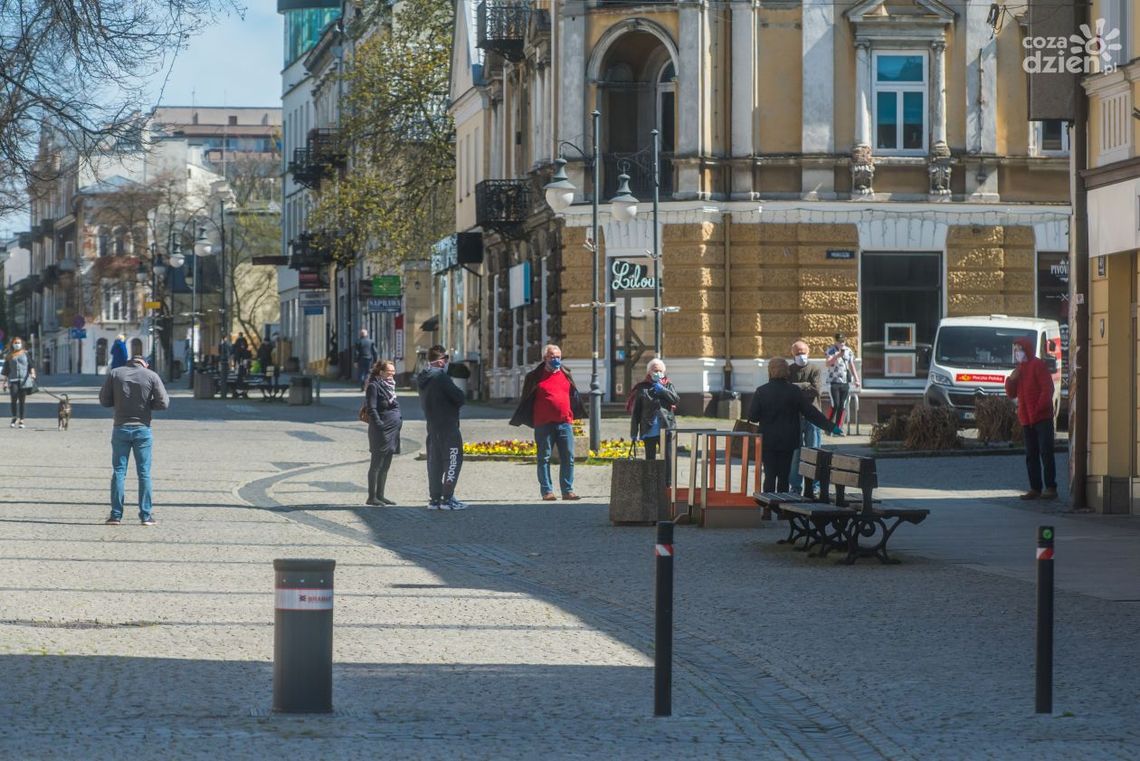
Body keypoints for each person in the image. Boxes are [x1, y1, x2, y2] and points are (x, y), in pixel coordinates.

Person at [748, 357, 841, 493]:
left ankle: (767, 510)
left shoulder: (761, 391)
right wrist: (831, 426)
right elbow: (811, 413)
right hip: (789, 441)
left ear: (770, 372)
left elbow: (753, 417)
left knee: (769, 476)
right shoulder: (794, 391)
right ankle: (781, 511)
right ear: (787, 372)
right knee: (784, 477)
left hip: (768, 441)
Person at [99, 353, 170, 525]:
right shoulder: (152, 375)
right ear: (144, 364)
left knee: (119, 472)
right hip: (142, 429)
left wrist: (119, 403)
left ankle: (116, 515)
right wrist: (147, 406)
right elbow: (164, 403)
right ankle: (146, 515)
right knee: (144, 473)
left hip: (120, 428)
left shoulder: (115, 373)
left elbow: (103, 400)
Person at [510, 344, 587, 501]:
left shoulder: (566, 374)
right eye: (552, 357)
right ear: (545, 358)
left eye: (558, 356)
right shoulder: (534, 377)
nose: (556, 359)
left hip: (565, 422)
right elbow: (526, 398)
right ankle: (547, 491)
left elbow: (573, 395)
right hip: (543, 423)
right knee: (544, 458)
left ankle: (567, 490)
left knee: (568, 457)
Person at [1005, 336, 1057, 500]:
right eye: (1015, 349)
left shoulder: (1038, 365)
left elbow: (1047, 389)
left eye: (1019, 349)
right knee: (1031, 455)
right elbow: (1011, 394)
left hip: (1042, 418)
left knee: (1046, 452)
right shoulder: (1019, 369)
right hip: (1027, 419)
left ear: (1026, 349)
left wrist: (1037, 410)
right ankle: (1035, 488)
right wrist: (1011, 380)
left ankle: (1050, 487)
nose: (1017, 352)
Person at [416, 344, 467, 510]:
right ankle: (448, 498)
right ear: (440, 361)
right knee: (453, 460)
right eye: (446, 359)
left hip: (432, 426)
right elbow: (459, 397)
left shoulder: (422, 377)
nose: (447, 363)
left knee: (434, 463)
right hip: (448, 425)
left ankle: (435, 499)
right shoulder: (441, 377)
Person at [788, 340, 825, 496]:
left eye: (803, 352)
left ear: (808, 352)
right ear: (792, 354)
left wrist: (796, 387)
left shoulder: (815, 369)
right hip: (794, 417)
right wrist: (804, 386)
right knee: (795, 454)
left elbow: (816, 390)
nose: (801, 355)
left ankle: (814, 488)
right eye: (797, 353)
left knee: (814, 452)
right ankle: (795, 487)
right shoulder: (788, 370)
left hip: (812, 416)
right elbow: (787, 391)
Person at [365, 359, 402, 506]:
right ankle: (371, 497)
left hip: (393, 430)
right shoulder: (374, 386)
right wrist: (380, 424)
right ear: (381, 372)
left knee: (386, 464)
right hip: (381, 431)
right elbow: (371, 408)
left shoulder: (390, 387)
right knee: (376, 464)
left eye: (393, 372)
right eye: (389, 372)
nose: (392, 375)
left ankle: (381, 495)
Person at [628, 358, 679, 461]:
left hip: (666, 428)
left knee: (668, 459)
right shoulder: (642, 388)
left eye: (660, 371)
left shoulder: (668, 385)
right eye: (655, 371)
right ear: (649, 372)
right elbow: (636, 413)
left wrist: (662, 390)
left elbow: (675, 400)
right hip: (649, 429)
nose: (658, 373)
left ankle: (667, 477)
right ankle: (651, 477)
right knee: (650, 460)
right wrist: (634, 433)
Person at [824, 332, 861, 432]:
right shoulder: (831, 350)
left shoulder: (848, 351)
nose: (842, 343)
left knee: (842, 405)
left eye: (843, 341)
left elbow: (851, 365)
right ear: (835, 341)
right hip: (833, 381)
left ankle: (838, 428)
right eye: (839, 341)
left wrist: (857, 379)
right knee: (835, 404)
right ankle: (828, 427)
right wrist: (838, 355)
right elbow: (828, 363)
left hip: (845, 382)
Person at [1, 337, 36, 428]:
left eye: (19, 342)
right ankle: (14, 417)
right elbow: (6, 370)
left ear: (22, 343)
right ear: (12, 344)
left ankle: (21, 419)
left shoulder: (26, 354)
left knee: (22, 401)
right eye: (15, 343)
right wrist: (4, 382)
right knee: (13, 400)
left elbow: (31, 365)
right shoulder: (9, 355)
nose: (17, 344)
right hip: (13, 381)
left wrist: (32, 373)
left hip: (24, 380)